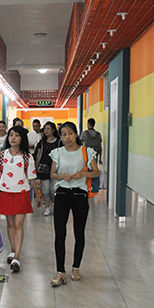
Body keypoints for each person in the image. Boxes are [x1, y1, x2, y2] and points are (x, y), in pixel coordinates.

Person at [49, 122, 99, 287]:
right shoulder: (57, 152)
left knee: (79, 233)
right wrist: (62, 176)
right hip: (62, 194)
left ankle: (76, 267)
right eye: (63, 134)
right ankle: (60, 271)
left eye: (70, 133)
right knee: (59, 234)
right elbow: (52, 174)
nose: (67, 137)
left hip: (79, 195)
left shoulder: (86, 151)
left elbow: (96, 172)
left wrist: (83, 174)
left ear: (76, 134)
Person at [0, 126, 41, 273]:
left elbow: (32, 178)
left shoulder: (27, 157)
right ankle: (13, 251)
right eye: (11, 135)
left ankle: (17, 257)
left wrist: (37, 195)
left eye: (17, 135)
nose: (13, 138)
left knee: (19, 224)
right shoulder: (2, 155)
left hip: (21, 193)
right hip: (6, 193)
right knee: (10, 223)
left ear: (22, 138)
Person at [35, 121, 62, 216]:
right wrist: (36, 165)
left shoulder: (59, 142)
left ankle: (54, 205)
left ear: (53, 130)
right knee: (45, 189)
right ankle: (47, 206)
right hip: (44, 168)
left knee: (53, 189)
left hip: (56, 168)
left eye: (48, 129)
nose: (46, 131)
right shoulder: (42, 142)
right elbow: (38, 154)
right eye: (45, 129)